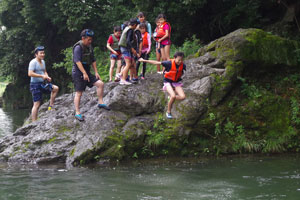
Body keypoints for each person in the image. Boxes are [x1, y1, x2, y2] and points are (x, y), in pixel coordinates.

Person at [72, 29, 110, 121]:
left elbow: (93, 60)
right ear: (83, 38)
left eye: (91, 39)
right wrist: (84, 73)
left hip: (87, 71)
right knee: (79, 93)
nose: (90, 41)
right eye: (88, 39)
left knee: (100, 84)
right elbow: (77, 61)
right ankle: (77, 112)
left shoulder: (89, 47)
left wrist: (96, 72)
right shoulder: (78, 47)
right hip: (78, 72)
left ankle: (100, 102)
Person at [138, 52, 186, 119]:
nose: (180, 62)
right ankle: (168, 112)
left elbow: (181, 74)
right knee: (173, 96)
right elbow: (156, 62)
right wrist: (144, 60)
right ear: (174, 58)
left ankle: (170, 98)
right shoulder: (168, 63)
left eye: (181, 60)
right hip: (168, 82)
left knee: (183, 96)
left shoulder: (183, 65)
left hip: (176, 82)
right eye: (178, 60)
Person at [28, 46, 59, 122]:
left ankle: (51, 106)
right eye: (41, 53)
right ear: (36, 54)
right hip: (35, 85)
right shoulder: (33, 62)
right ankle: (34, 122)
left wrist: (47, 76)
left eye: (43, 53)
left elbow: (44, 71)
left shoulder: (43, 62)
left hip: (42, 83)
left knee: (55, 88)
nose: (43, 54)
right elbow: (30, 73)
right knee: (37, 104)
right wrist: (42, 76)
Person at [118, 18, 139, 85]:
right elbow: (128, 41)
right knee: (128, 64)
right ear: (135, 25)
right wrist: (133, 50)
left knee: (132, 63)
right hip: (125, 48)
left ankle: (132, 77)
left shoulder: (127, 28)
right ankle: (122, 79)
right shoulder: (130, 30)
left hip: (125, 48)